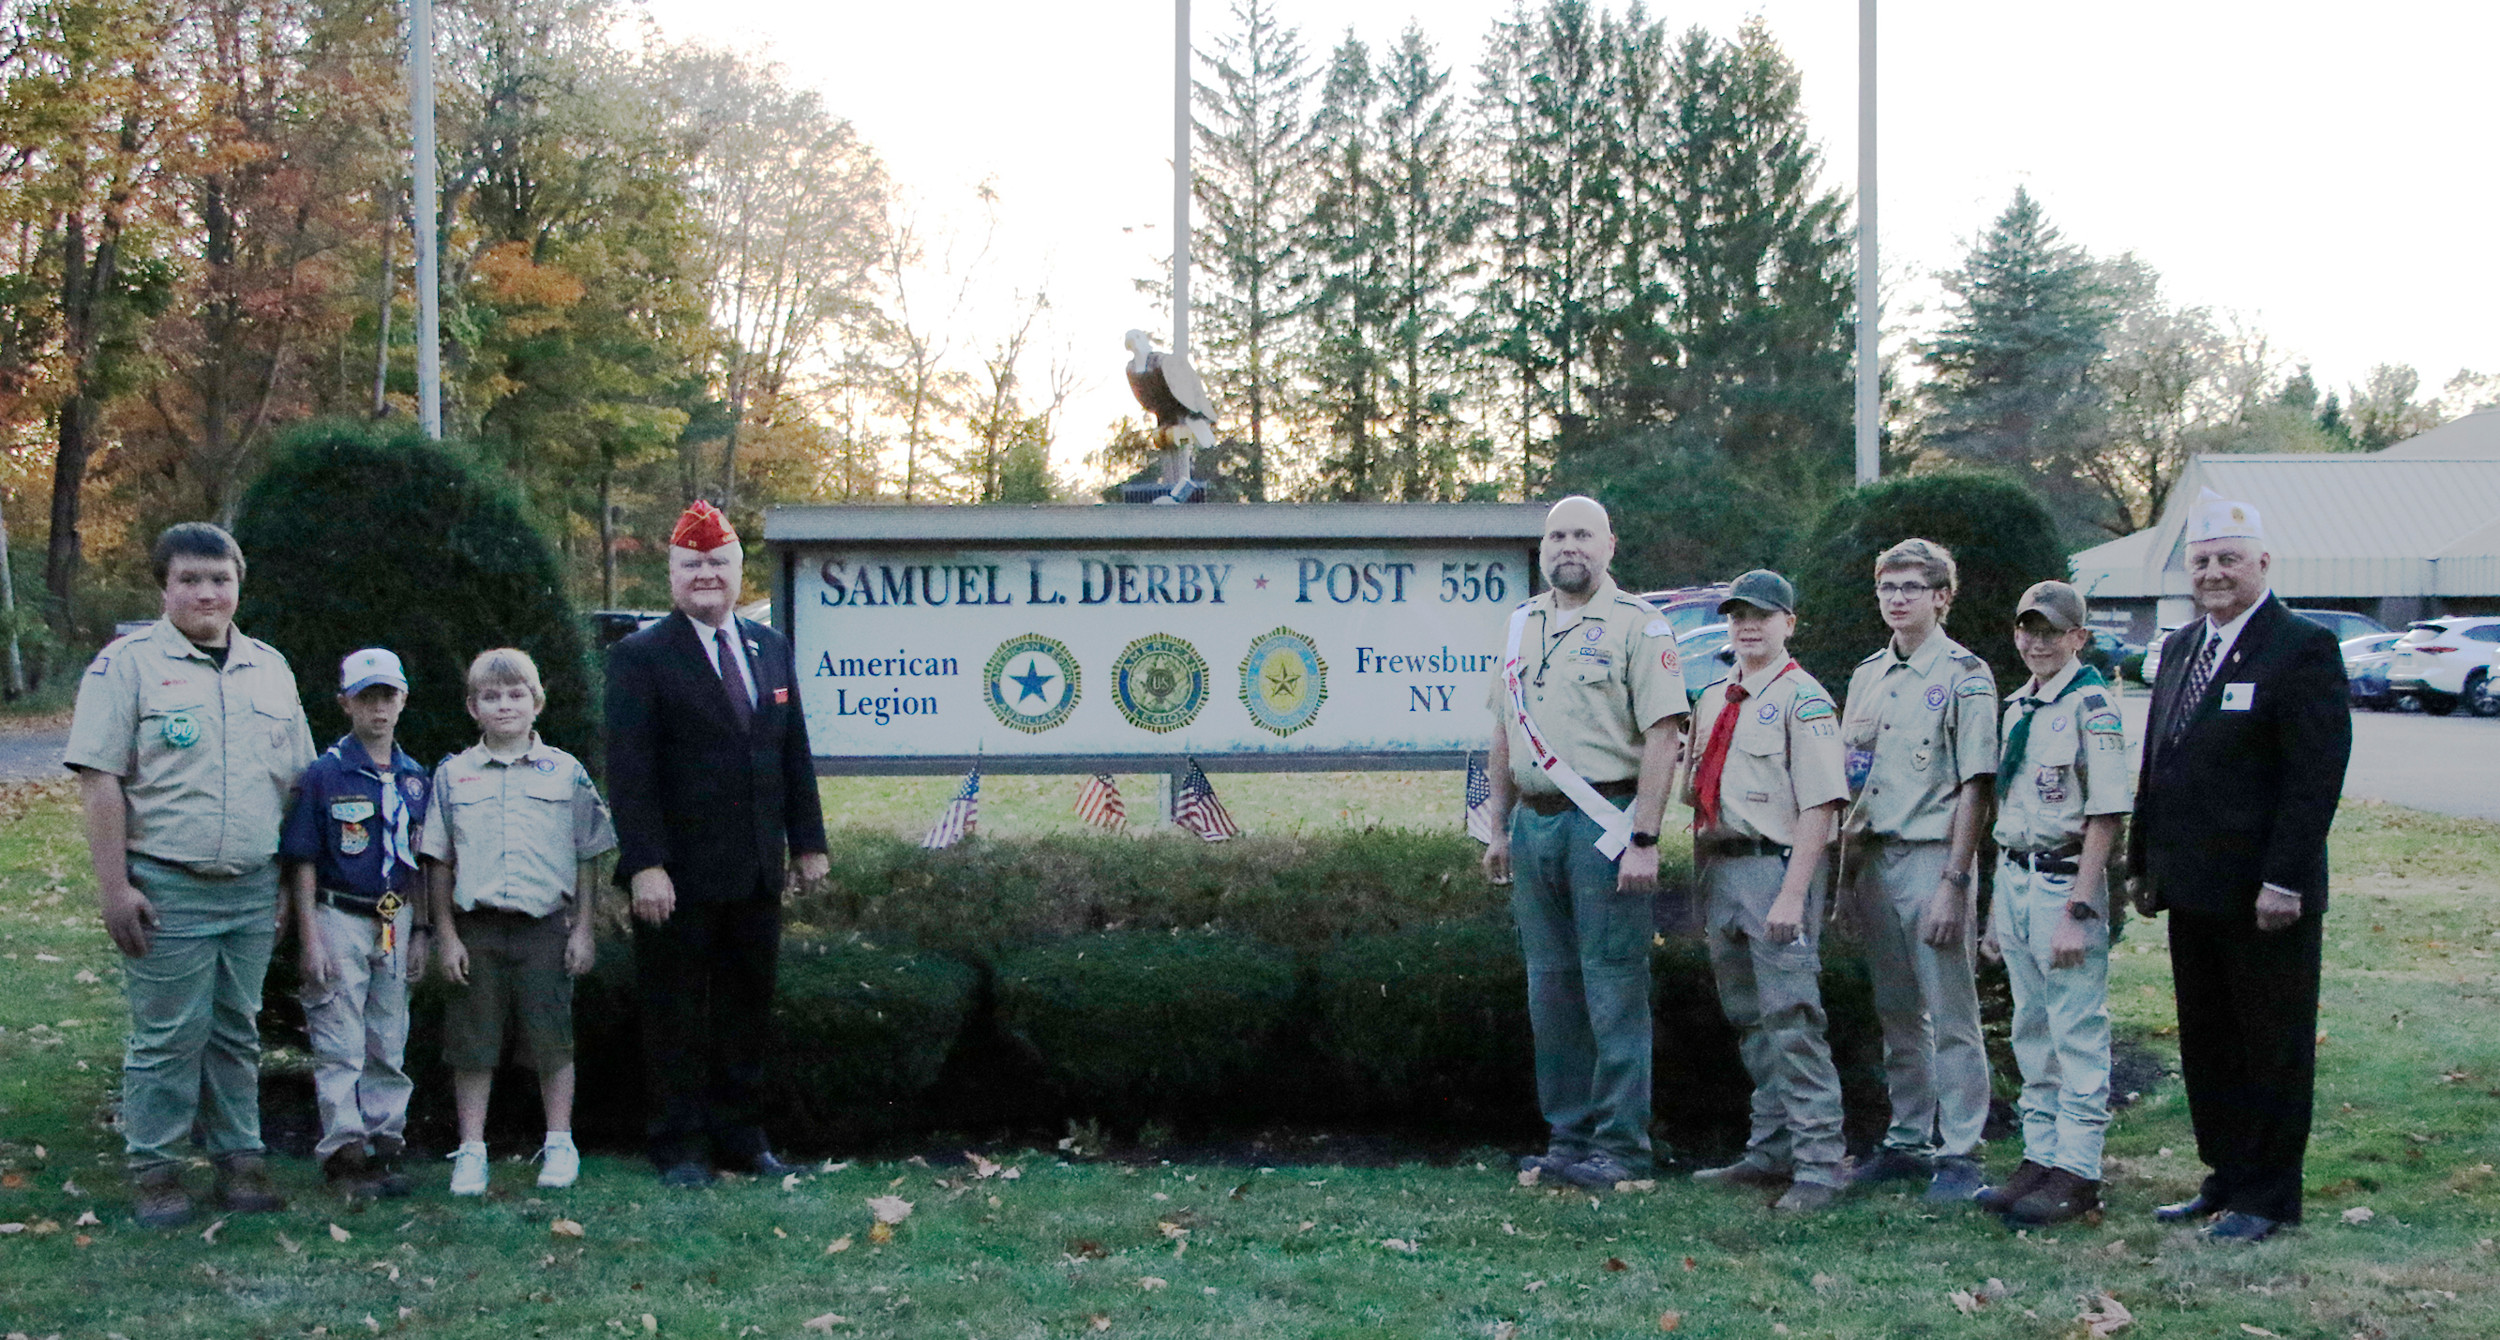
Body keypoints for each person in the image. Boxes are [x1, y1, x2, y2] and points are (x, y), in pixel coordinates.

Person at [64, 522, 316, 1227]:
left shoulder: (270, 668)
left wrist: (288, 891)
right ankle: (156, 1167)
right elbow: (101, 782)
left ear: (239, 585)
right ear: (164, 587)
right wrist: (116, 888)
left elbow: (298, 786)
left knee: (237, 1030)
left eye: (220, 580)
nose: (207, 592)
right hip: (165, 887)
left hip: (250, 887)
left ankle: (242, 1159)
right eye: (190, 580)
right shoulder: (126, 668)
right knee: (168, 1035)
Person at [2130, 492, 2350, 1243]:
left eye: (2229, 559)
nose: (2215, 573)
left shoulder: (2303, 647)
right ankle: (2223, 1178)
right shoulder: (2185, 645)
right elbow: (2158, 761)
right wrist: (2143, 862)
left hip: (2265, 895)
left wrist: (2285, 879)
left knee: (2271, 1046)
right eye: (2202, 561)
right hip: (2192, 889)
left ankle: (2269, 1195)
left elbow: (2314, 778)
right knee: (2209, 1041)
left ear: (2263, 563)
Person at [606, 501, 829, 1188]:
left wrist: (808, 844)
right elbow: (629, 770)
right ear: (671, 574)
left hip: (757, 870)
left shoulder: (771, 649)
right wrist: (645, 864)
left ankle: (741, 1138)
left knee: (745, 1011)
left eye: (717, 563)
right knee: (675, 1015)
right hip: (678, 874)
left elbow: (791, 753)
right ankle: (679, 1145)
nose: (706, 574)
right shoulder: (639, 657)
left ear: (738, 570)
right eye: (691, 564)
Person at [1480, 496, 1689, 1192]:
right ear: (1544, 548)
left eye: (1583, 535)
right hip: (1535, 826)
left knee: (1613, 989)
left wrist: (1646, 838)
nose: (1569, 546)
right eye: (1558, 536)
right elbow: (1505, 733)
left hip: (1606, 823)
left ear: (1610, 546)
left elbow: (1665, 735)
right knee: (1552, 991)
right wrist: (1498, 827)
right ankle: (1567, 1139)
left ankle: (1623, 1148)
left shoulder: (1639, 626)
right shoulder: (1520, 626)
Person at [1683, 570, 1852, 1213]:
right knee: (1750, 1020)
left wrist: (1792, 895)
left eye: (1762, 615)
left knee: (1793, 1018)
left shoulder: (1803, 700)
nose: (1747, 625)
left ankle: (1819, 1163)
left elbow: (1822, 807)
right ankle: (1772, 1148)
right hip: (1722, 869)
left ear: (1789, 623)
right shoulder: (1716, 698)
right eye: (1737, 616)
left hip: (1776, 868)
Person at [421, 648, 617, 1197]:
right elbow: (438, 860)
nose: (504, 705)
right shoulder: (454, 775)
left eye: (515, 695)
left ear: (537, 703)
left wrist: (583, 927)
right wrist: (447, 934)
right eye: (491, 696)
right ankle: (472, 1150)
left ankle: (559, 1141)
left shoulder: (566, 772)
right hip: (477, 929)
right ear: (472, 707)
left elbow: (587, 853)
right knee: (472, 1045)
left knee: (553, 1041)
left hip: (545, 931)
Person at [1837, 539, 1998, 1203]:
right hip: (1876, 857)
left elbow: (1975, 787)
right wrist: (1846, 882)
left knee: (1952, 1013)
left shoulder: (1966, 674)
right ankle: (1908, 1140)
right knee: (1898, 1013)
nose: (1897, 598)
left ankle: (1960, 1152)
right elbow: (1855, 781)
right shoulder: (1867, 675)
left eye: (1912, 587)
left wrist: (1955, 884)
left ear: (1942, 597)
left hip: (1935, 856)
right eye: (1888, 588)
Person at [1971, 581, 2130, 1227]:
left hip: (2065, 882)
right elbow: (2006, 813)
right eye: (2027, 629)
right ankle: (2040, 1157)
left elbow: (2106, 813)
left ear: (2078, 638)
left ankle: (2080, 1169)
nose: (2037, 642)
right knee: (2032, 1029)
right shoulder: (2019, 708)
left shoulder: (2093, 707)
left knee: (2076, 1030)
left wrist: (2080, 908)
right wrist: (1991, 912)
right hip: (2015, 877)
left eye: (2051, 631)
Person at [280, 648, 432, 1201]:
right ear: (345, 702)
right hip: (338, 912)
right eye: (366, 696)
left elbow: (424, 860)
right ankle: (345, 1152)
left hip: (395, 915)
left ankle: (386, 1142)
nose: (378, 708)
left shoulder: (416, 780)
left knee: (389, 1035)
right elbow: (303, 857)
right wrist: (310, 935)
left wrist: (422, 930)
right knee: (339, 1035)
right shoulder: (324, 775)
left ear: (403, 700)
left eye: (387, 696)